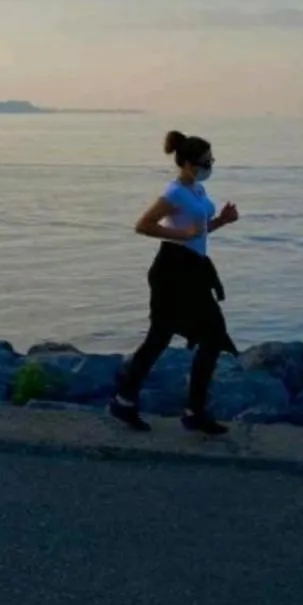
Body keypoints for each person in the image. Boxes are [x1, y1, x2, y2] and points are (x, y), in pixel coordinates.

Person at [109, 130, 241, 436]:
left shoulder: (195, 190)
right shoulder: (174, 193)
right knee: (184, 337)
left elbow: (198, 230)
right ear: (190, 164)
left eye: (212, 159)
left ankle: (187, 409)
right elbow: (143, 225)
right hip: (172, 271)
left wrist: (221, 221)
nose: (211, 165)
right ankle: (132, 401)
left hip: (193, 271)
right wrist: (182, 236)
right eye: (207, 160)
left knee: (197, 337)